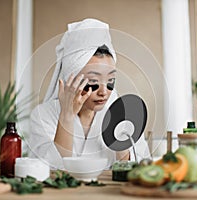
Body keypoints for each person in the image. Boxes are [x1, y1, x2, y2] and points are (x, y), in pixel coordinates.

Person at [29, 18, 151, 169]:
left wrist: (121, 139)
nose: (104, 92)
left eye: (111, 80)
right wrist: (66, 116)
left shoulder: (122, 114)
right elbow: (49, 169)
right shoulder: (43, 115)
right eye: (93, 82)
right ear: (70, 79)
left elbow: (140, 169)